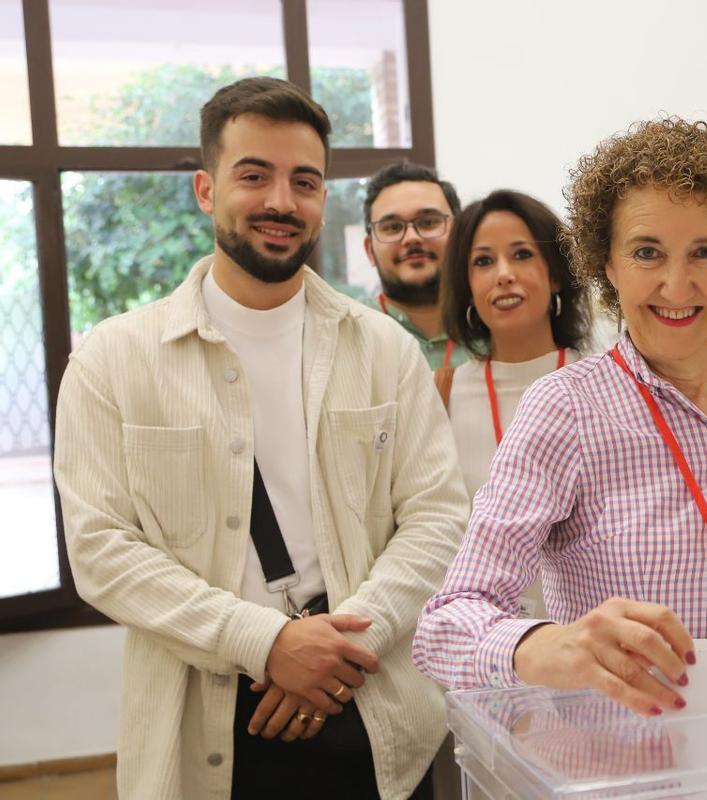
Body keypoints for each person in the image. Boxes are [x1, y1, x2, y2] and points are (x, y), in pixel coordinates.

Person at [52, 77, 468, 799]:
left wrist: (341, 652)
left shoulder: (381, 350)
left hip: (368, 707)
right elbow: (101, 551)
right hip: (203, 715)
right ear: (207, 191)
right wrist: (270, 644)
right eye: (254, 175)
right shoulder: (113, 360)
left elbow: (437, 515)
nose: (282, 200)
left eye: (304, 181)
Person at [413, 118, 707, 716]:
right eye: (647, 252)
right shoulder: (567, 410)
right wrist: (547, 644)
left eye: (706, 252)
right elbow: (446, 623)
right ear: (607, 263)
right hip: (627, 768)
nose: (676, 285)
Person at [435, 189, 592, 500]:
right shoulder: (442, 396)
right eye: (483, 261)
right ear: (467, 287)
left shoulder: (606, 383)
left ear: (555, 276)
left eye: (522, 254)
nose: (504, 274)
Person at [363, 161, 470, 370]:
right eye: (393, 227)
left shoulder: (495, 327)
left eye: (428, 222)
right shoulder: (349, 333)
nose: (411, 238)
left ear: (461, 234)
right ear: (369, 250)